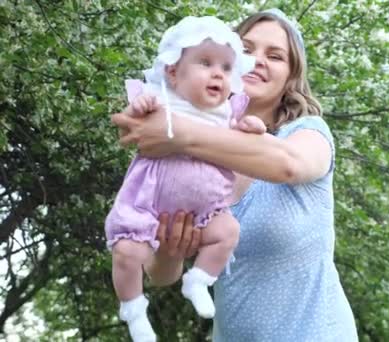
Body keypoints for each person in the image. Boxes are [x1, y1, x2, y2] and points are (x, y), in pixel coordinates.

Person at [111, 9, 359, 341]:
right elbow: (161, 274)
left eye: (275, 56)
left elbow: (289, 164)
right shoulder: (195, 163)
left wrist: (176, 132)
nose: (257, 61)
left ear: (291, 76)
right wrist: (172, 249)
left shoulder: (308, 133)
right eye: (246, 49)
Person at [105, 16, 265, 342]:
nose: (218, 72)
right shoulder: (162, 99)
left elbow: (246, 143)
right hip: (148, 205)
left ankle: (200, 280)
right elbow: (130, 124)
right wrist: (140, 106)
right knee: (127, 252)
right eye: (205, 63)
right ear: (173, 72)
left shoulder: (227, 114)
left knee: (228, 231)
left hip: (204, 213)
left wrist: (254, 129)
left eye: (225, 66)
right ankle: (133, 308)